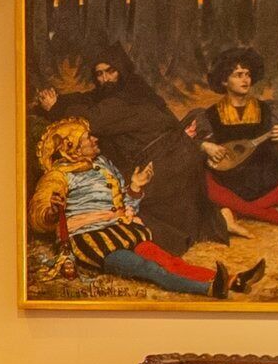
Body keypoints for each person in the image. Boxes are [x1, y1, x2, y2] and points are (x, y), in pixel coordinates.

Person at [37, 118, 265, 300]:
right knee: (149, 269)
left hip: (121, 230)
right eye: (88, 138)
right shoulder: (58, 176)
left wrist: (135, 187)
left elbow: (123, 207)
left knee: (168, 260)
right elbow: (39, 216)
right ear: (72, 147)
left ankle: (233, 280)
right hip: (91, 241)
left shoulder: (103, 165)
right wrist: (52, 210)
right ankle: (208, 289)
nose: (95, 139)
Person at [68, 47, 223, 255]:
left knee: (137, 205)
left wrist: (55, 107)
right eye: (99, 73)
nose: (105, 78)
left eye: (110, 71)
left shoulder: (121, 102)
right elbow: (90, 98)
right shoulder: (134, 89)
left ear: (121, 70)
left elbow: (93, 122)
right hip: (176, 153)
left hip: (165, 161)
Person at [185, 51, 278, 226]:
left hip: (267, 177)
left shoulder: (269, 109)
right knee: (199, 178)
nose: (245, 80)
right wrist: (205, 146)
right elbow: (179, 142)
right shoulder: (208, 116)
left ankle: (244, 209)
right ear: (224, 81)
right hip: (229, 180)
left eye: (248, 75)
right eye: (238, 75)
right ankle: (261, 212)